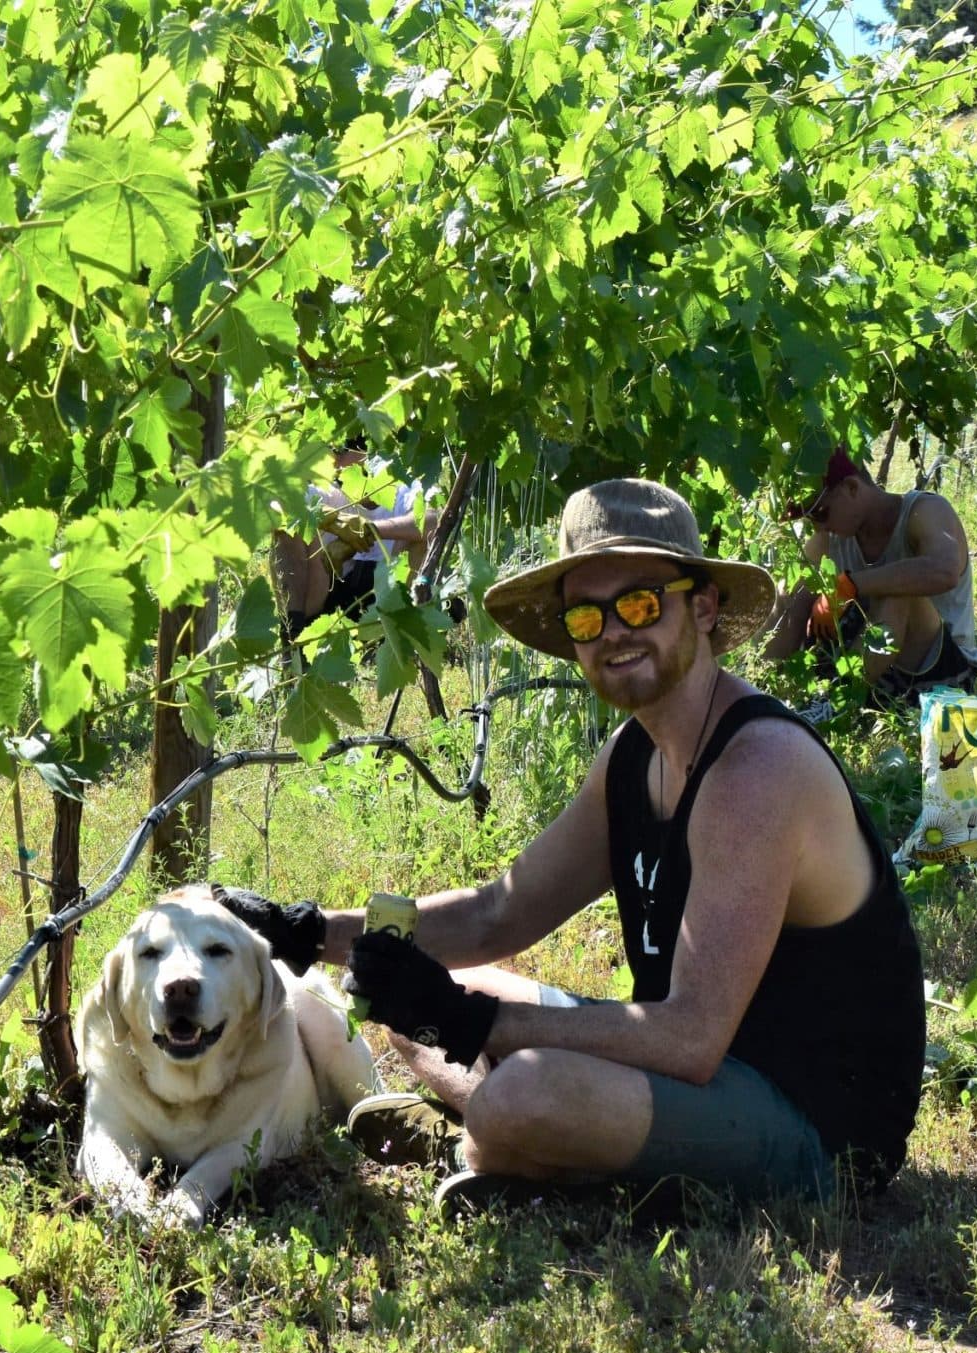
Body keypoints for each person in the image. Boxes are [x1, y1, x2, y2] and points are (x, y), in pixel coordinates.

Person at [218, 477, 927, 1214]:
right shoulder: (635, 755)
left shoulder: (756, 770)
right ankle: (515, 1147)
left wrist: (473, 1026)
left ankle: (508, 1145)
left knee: (517, 1082)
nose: (614, 630)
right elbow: (501, 912)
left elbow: (690, 1037)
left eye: (641, 603)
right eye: (588, 617)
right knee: (412, 998)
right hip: (693, 1081)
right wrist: (305, 932)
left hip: (817, 1127)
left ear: (705, 607)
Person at [762, 448, 977, 706]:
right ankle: (766, 693)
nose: (818, 526)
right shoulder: (831, 537)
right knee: (795, 584)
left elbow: (944, 571)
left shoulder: (926, 510)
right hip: (879, 676)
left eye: (820, 513)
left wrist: (851, 585)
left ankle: (836, 707)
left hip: (942, 680)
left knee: (897, 592)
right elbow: (788, 599)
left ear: (852, 488)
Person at [272, 446, 434, 639]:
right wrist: (335, 523)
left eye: (341, 453)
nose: (334, 462)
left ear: (367, 451)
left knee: (422, 540)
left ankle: (401, 639)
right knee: (287, 529)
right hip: (329, 601)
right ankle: (293, 636)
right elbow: (277, 504)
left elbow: (435, 520)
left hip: (388, 601)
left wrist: (369, 531)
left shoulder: (405, 488)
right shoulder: (330, 493)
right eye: (332, 453)